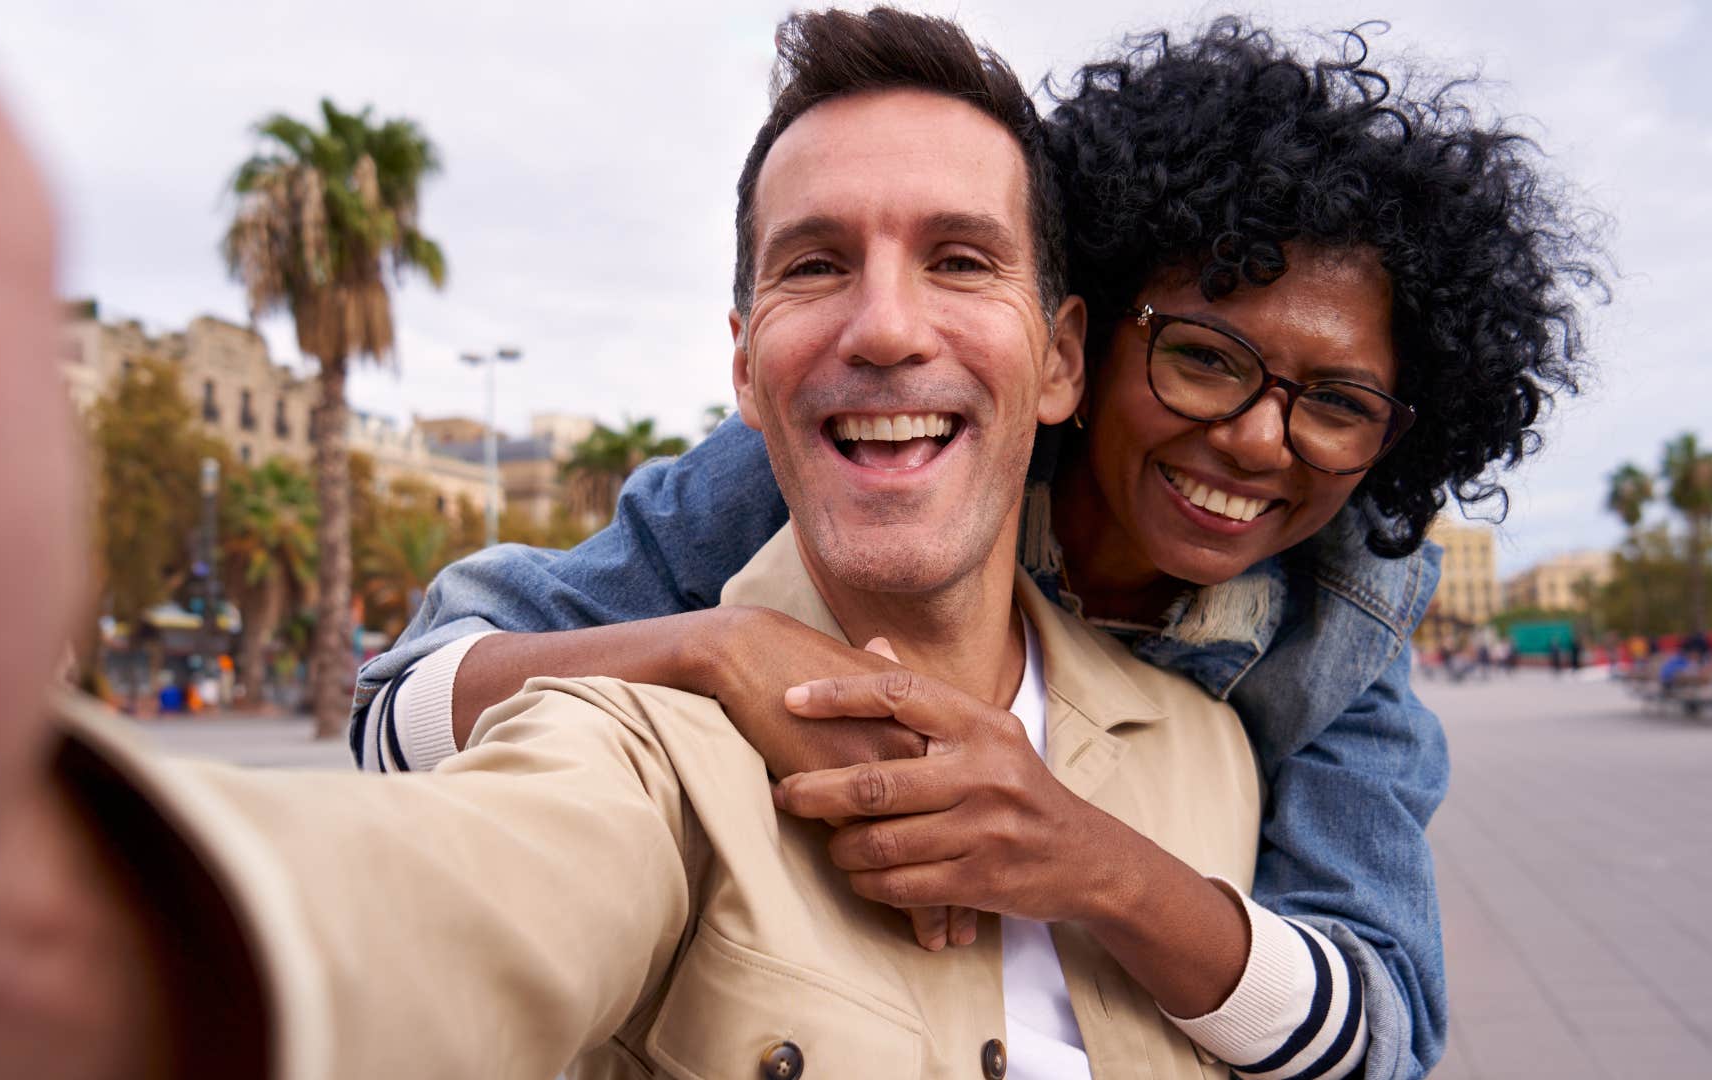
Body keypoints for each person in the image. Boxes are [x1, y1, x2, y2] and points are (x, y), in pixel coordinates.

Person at [0, 11, 1320, 1078]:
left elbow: (1359, 1013)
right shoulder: (634, 738)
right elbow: (446, 899)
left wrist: (1113, 876)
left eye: (962, 260)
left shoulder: (1207, 753)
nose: (885, 327)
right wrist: (76, 936)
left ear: (1062, 361)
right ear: (745, 369)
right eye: (813, 265)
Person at [353, 18, 1603, 1077]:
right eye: (1207, 360)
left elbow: (1383, 1020)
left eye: (1335, 404)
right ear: (1085, 346)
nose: (1258, 442)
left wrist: (1097, 865)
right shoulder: (859, 448)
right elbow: (400, 711)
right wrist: (713, 647)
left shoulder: (1345, 614)